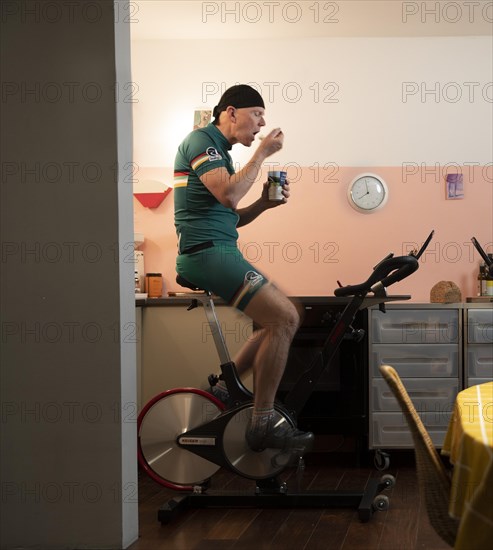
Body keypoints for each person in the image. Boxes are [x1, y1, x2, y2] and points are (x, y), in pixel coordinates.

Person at [174, 84, 313, 453]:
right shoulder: (201, 141)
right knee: (282, 319)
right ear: (231, 112)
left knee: (288, 314)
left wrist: (265, 205)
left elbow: (230, 215)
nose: (262, 123)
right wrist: (263, 153)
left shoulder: (221, 154)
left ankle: (225, 389)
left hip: (220, 246)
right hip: (205, 252)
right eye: (257, 114)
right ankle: (262, 423)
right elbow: (230, 195)